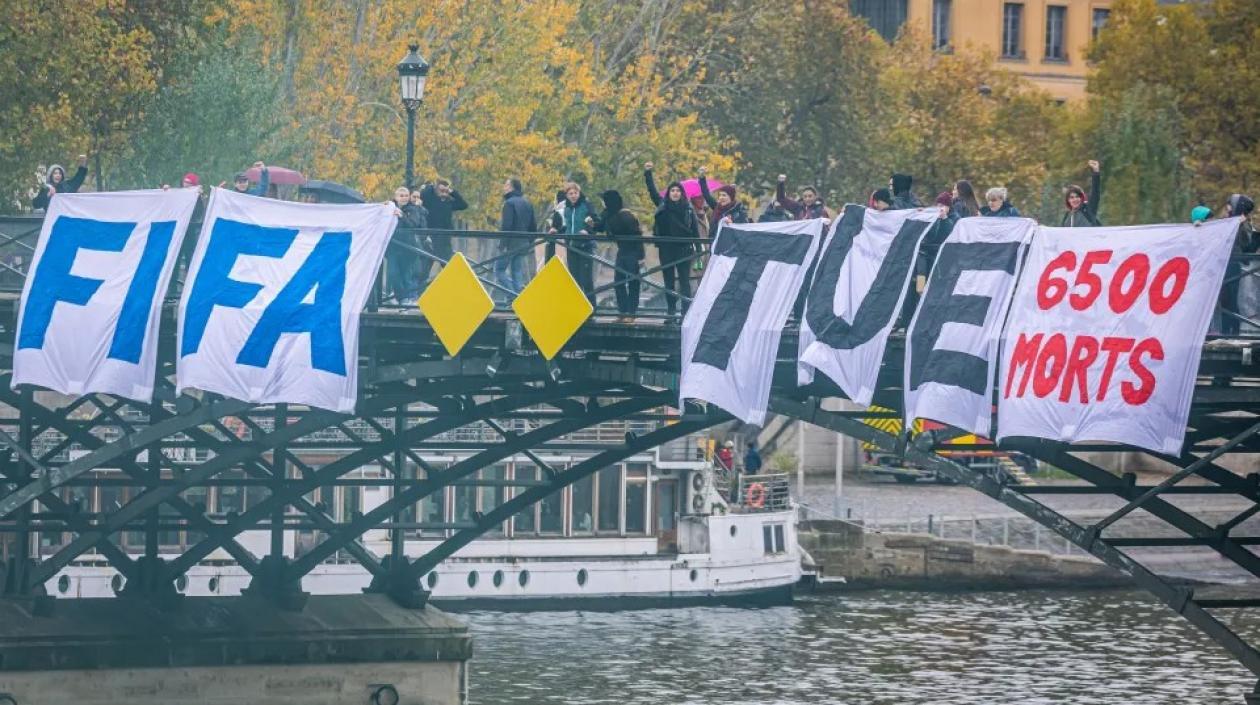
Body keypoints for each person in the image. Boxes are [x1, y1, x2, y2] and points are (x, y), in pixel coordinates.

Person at [645, 162, 700, 322]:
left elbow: (695, 231)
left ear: (682, 194)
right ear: (669, 193)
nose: (675, 193)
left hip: (684, 249)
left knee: (684, 282)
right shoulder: (663, 205)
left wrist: (699, 250)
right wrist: (648, 173)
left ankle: (685, 313)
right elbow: (652, 191)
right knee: (668, 281)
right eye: (672, 190)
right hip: (666, 249)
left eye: (678, 191)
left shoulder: (688, 209)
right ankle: (670, 312)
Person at [592, 189, 644, 321]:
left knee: (633, 282)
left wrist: (640, 257)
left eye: (604, 201)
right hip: (622, 251)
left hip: (632, 252)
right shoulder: (609, 214)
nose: (602, 203)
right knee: (618, 282)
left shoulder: (626, 216)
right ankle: (622, 312)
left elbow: (638, 236)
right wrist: (590, 223)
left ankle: (631, 313)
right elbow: (600, 227)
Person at [548, 182, 596, 305]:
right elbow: (566, 226)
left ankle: (591, 307)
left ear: (579, 193)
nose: (573, 196)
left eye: (575, 193)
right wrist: (556, 229)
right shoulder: (567, 209)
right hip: (571, 246)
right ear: (567, 195)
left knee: (586, 279)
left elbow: (593, 220)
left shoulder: (586, 205)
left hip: (585, 245)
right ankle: (577, 306)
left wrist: (587, 230)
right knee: (574, 279)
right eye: (571, 194)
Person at [1221, 194, 1259, 337]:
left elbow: (1244, 246)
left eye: (1230, 204)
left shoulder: (1243, 224)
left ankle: (1230, 333)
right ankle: (1226, 332)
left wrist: (1241, 225)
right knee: (1225, 301)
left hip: (1233, 265)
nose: (1227, 207)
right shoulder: (1227, 221)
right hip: (1224, 265)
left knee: (1230, 300)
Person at [497, 177, 536, 299]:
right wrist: (529, 242)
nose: (504, 187)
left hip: (510, 244)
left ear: (511, 187)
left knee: (499, 270)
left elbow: (507, 226)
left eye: (506, 185)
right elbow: (533, 226)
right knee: (516, 272)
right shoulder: (527, 203)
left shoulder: (509, 203)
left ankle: (513, 296)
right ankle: (519, 299)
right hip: (523, 243)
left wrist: (502, 245)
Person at [387, 186, 427, 305]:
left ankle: (406, 300)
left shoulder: (413, 209)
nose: (404, 198)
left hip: (408, 247)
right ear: (396, 197)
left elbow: (414, 224)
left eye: (406, 196)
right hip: (393, 247)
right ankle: (402, 298)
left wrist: (402, 216)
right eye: (401, 196)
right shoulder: (390, 207)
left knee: (406, 275)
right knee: (393, 273)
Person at [419, 178, 468, 273]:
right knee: (424, 269)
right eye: (442, 190)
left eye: (446, 191)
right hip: (430, 238)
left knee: (449, 268)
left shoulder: (448, 202)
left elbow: (463, 205)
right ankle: (419, 287)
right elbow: (424, 194)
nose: (444, 193)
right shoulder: (429, 199)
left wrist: (452, 192)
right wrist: (431, 186)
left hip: (444, 240)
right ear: (436, 190)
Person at [1062, 160, 1103, 227]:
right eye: (1072, 197)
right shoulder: (1067, 216)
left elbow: (1095, 194)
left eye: (1077, 196)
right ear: (1068, 200)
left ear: (1081, 198)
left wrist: (1096, 172)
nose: (1075, 199)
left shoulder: (1088, 209)